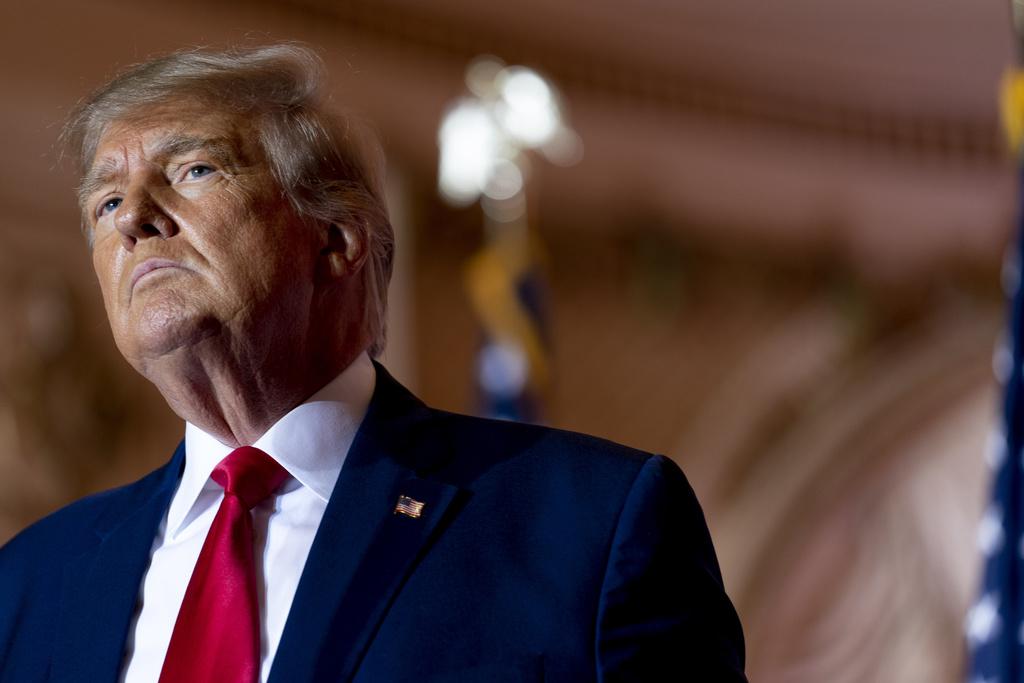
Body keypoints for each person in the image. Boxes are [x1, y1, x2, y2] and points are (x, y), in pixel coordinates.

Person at [0, 44, 747, 682]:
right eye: (105, 203)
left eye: (193, 170)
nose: (134, 217)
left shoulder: (589, 524)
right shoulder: (31, 582)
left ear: (337, 240)